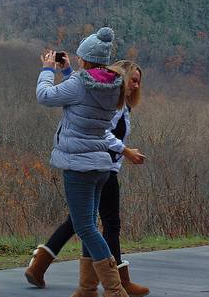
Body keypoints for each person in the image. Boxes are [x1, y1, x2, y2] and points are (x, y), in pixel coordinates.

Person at [25, 60, 149, 296]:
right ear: (122, 78)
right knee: (106, 224)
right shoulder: (112, 101)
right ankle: (117, 284)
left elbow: (84, 94)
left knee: (81, 222)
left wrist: (69, 71)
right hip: (102, 166)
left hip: (99, 166)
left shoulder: (116, 101)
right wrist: (125, 150)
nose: (136, 85)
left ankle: (54, 271)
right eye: (133, 79)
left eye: (139, 82)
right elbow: (102, 131)